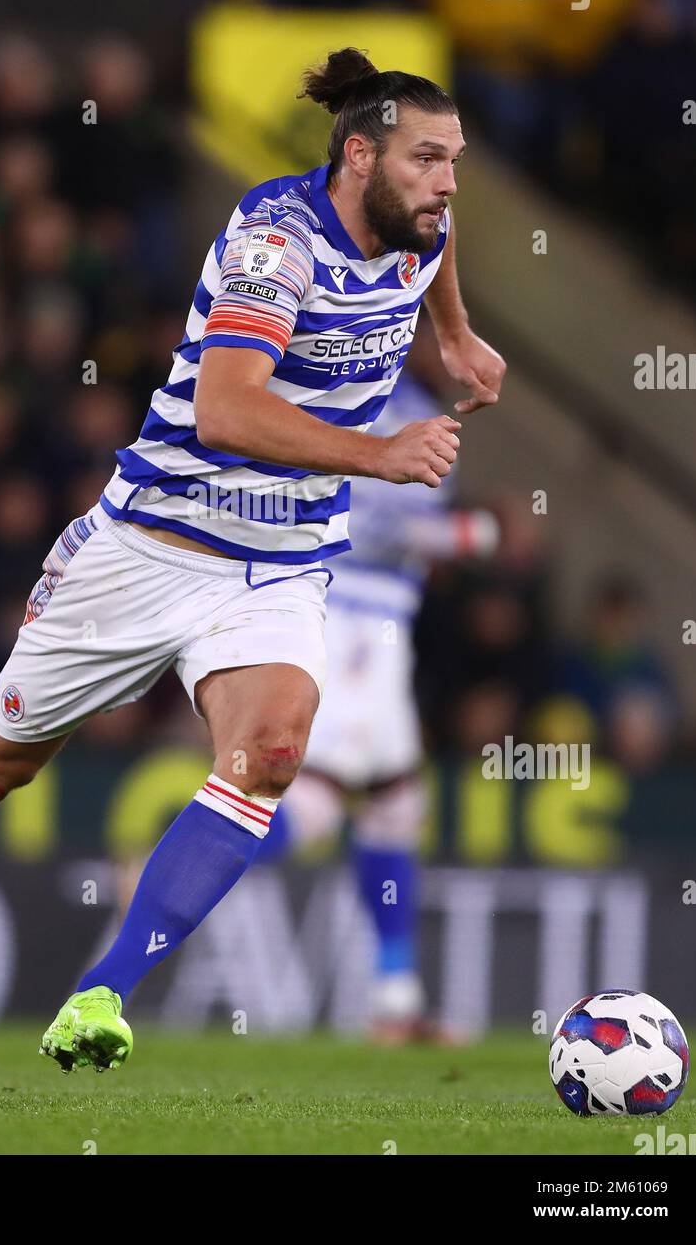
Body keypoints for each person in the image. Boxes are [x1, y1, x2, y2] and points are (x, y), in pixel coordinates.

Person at [0, 47, 505, 1081]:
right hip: (151, 547)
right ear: (358, 158)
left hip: (277, 564)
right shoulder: (276, 244)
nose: (446, 182)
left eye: (455, 160)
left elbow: (436, 246)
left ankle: (102, 993)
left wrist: (456, 335)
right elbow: (225, 408)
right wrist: (379, 454)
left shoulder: (415, 221)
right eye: (427, 159)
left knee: (268, 752)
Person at [258, 370, 500, 1041]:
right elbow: (373, 527)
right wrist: (470, 536)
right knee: (313, 807)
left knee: (395, 807)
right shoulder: (333, 401)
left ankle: (395, 1000)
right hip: (347, 622)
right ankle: (169, 861)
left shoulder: (408, 408)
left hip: (379, 629)